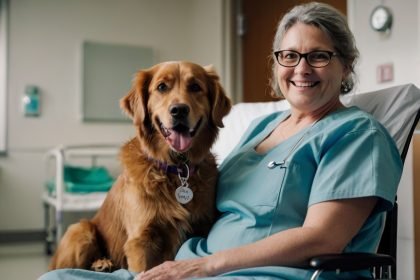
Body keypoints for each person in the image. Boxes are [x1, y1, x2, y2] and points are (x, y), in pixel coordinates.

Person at [39, 2, 402, 280]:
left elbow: (323, 239)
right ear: (277, 66)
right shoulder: (262, 126)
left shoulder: (356, 135)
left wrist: (206, 266)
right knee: (56, 275)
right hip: (183, 267)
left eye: (319, 56)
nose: (302, 68)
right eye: (289, 56)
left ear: (347, 65)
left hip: (252, 273)